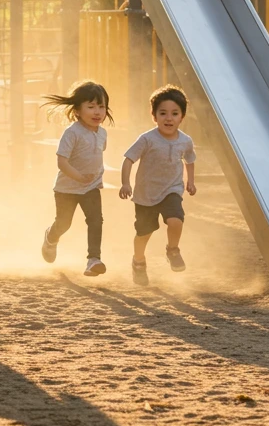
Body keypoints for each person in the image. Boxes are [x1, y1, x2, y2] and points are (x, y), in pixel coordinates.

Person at [119, 85, 196, 287]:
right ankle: (138, 261)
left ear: (182, 117)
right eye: (162, 113)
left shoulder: (186, 141)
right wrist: (125, 183)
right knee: (144, 233)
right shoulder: (147, 139)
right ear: (154, 116)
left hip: (172, 190)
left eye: (174, 113)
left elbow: (189, 160)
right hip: (145, 194)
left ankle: (173, 250)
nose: (168, 118)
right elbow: (128, 159)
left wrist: (191, 181)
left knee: (176, 220)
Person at [39, 80, 112, 278]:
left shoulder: (103, 133)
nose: (97, 112)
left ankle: (93, 260)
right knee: (64, 223)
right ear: (78, 110)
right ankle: (51, 238)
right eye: (91, 107)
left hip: (91, 187)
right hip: (66, 188)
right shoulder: (72, 133)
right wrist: (78, 176)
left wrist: (92, 177)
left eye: (102, 106)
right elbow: (61, 161)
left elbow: (98, 153)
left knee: (96, 220)